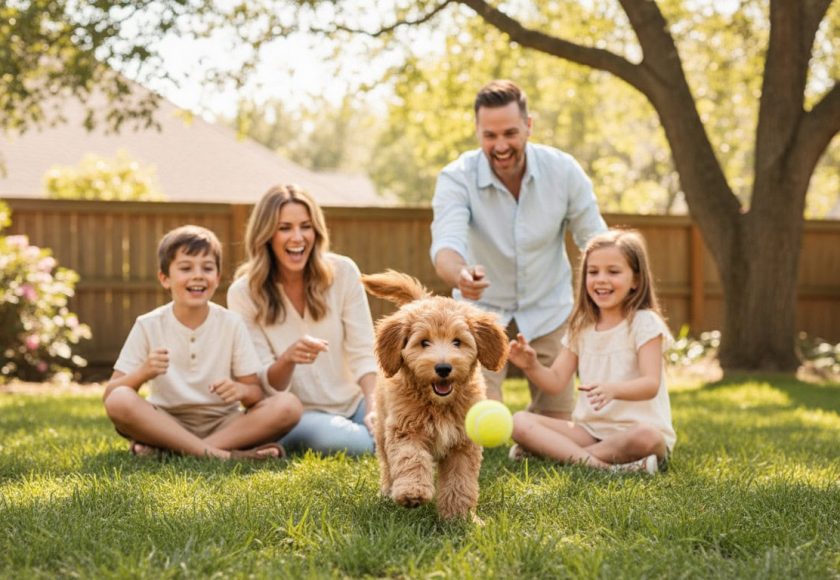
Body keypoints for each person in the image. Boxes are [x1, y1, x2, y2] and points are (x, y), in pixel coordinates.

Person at [431, 79, 607, 420]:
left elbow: (595, 240)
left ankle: (529, 428)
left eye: (510, 133)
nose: (500, 145)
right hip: (481, 314)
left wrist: (610, 290)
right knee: (479, 418)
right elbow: (446, 245)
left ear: (529, 126)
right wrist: (461, 275)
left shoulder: (564, 171)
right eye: (490, 135)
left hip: (549, 308)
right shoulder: (456, 177)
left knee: (556, 419)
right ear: (478, 131)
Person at [103, 225, 302, 460]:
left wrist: (240, 390)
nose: (198, 275)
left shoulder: (231, 323)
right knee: (120, 400)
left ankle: (175, 452)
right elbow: (111, 395)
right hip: (165, 423)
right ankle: (229, 456)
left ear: (217, 278)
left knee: (288, 406)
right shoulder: (148, 324)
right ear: (164, 278)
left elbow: (256, 395)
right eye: (186, 268)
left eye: (207, 268)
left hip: (224, 425)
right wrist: (143, 372)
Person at [227, 184, 378, 456]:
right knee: (364, 446)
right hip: (297, 415)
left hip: (353, 402)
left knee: (395, 433)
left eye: (305, 226)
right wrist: (288, 359)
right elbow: (262, 383)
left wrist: (374, 407)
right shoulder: (243, 293)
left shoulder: (343, 272)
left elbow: (364, 352)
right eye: (284, 228)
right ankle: (274, 442)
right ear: (266, 235)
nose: (297, 237)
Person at [508, 229, 675, 473]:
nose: (601, 279)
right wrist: (531, 366)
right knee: (519, 421)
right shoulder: (581, 327)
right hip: (590, 432)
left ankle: (559, 456)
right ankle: (607, 467)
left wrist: (613, 390)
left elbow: (651, 384)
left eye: (613, 271)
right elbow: (555, 382)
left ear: (636, 280)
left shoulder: (645, 322)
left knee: (647, 437)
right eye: (593, 271)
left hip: (635, 433)